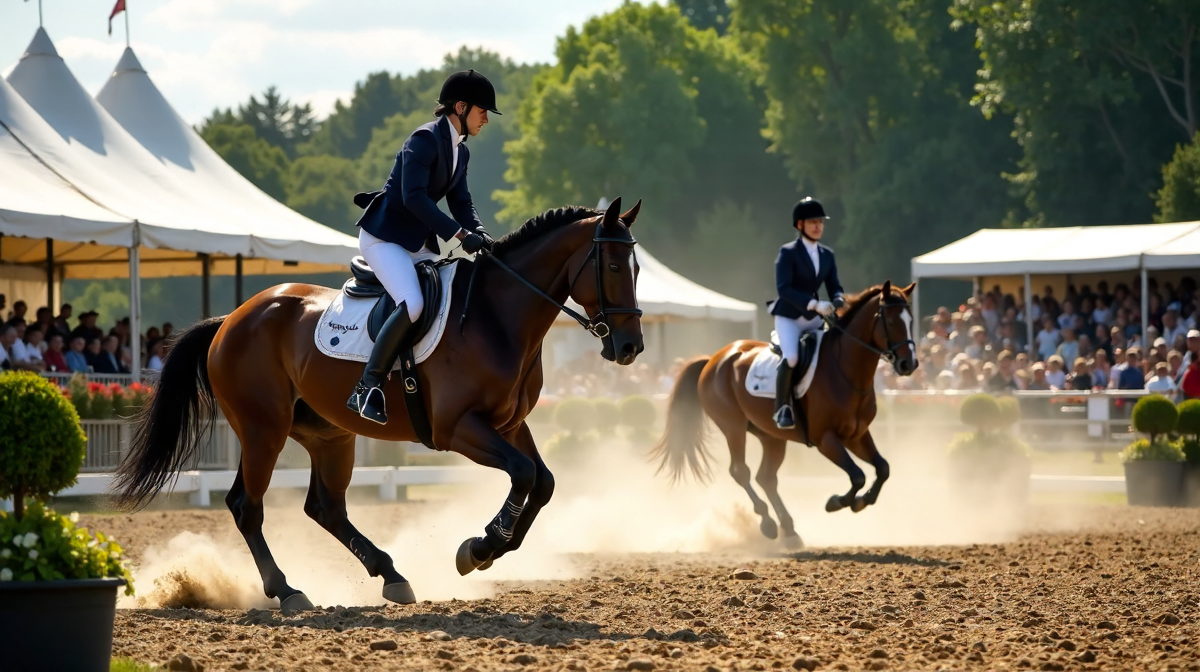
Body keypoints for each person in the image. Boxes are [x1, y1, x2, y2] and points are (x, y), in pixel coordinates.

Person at [347, 69, 500, 425]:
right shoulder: (424, 139)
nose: (486, 120)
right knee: (413, 303)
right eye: (482, 111)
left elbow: (461, 202)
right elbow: (413, 198)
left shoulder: (460, 152)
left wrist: (479, 231)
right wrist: (459, 236)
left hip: (417, 242)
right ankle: (367, 385)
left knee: (449, 297)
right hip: (385, 237)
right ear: (460, 107)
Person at [766, 196, 845, 430]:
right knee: (792, 358)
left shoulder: (827, 255)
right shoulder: (788, 252)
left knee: (832, 354)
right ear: (800, 225)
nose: (818, 226)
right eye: (813, 222)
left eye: (820, 222)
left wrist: (838, 299)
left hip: (814, 319)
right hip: (790, 317)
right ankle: (782, 408)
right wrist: (813, 304)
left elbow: (834, 285)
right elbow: (784, 289)